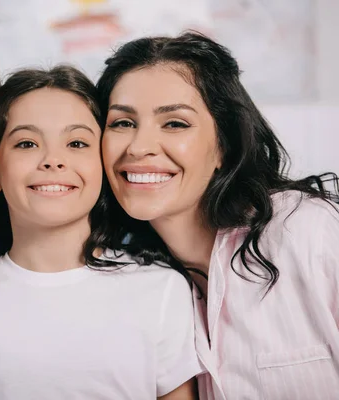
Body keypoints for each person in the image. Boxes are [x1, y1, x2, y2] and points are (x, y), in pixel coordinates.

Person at [0, 65, 202, 400]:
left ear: (103, 165)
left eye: (77, 143)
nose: (53, 160)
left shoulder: (160, 290)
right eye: (26, 143)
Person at [97, 31, 339, 400]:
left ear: (223, 146)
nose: (139, 146)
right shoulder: (132, 284)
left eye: (175, 123)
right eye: (122, 123)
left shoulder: (310, 230)